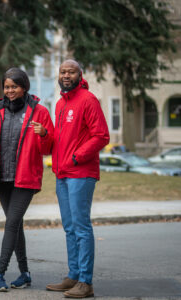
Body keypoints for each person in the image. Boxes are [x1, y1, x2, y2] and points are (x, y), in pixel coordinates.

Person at [0, 68, 54, 292]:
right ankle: (25, 273)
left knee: (11, 224)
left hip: (25, 178)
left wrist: (43, 135)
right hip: (2, 178)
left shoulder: (39, 111)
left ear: (24, 87)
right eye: (7, 87)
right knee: (17, 225)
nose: (10, 91)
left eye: (14, 86)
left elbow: (48, 148)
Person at [45, 59, 109, 298]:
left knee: (81, 227)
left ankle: (85, 281)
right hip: (62, 174)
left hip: (81, 172)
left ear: (79, 74)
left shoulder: (88, 99)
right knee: (70, 228)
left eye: (71, 71)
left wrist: (75, 157)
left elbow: (101, 136)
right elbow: (61, 139)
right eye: (62, 71)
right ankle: (73, 276)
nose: (66, 75)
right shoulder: (61, 103)